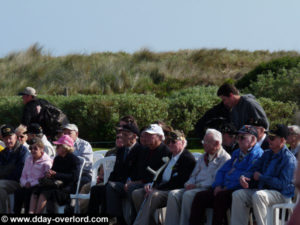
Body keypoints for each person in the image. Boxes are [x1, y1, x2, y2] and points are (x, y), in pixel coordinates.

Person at [189, 125, 264, 225]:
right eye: (238, 137)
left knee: (221, 197)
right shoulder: (237, 153)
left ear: (253, 140)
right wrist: (218, 185)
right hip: (226, 188)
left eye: (242, 138)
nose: (239, 140)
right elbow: (222, 171)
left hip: (241, 189)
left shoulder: (258, 156)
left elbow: (246, 176)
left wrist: (226, 187)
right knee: (200, 196)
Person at [231, 124, 297, 225]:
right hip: (264, 191)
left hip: (282, 194)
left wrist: (262, 178)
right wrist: (244, 177)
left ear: (282, 140)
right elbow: (252, 170)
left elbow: (283, 184)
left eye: (272, 138)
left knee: (259, 196)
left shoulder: (289, 159)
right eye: (269, 137)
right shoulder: (267, 154)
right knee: (238, 195)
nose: (269, 140)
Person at [165, 129, 231, 225]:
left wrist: (196, 186)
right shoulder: (203, 157)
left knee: (188, 195)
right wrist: (189, 183)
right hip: (194, 187)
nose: (203, 144)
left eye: (206, 142)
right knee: (173, 194)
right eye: (203, 141)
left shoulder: (225, 158)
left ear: (217, 144)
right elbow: (193, 175)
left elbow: (215, 180)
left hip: (206, 189)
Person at [133, 130, 196, 225]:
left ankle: (139, 223)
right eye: (168, 142)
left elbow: (178, 181)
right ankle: (150, 223)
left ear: (182, 142)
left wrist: (156, 188)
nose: (170, 144)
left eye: (173, 142)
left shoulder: (187, 158)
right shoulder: (169, 156)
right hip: (161, 187)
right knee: (137, 193)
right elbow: (159, 174)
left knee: (153, 196)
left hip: (172, 190)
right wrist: (151, 185)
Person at [29, 135, 80, 213]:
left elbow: (74, 177)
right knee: (36, 190)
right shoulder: (57, 158)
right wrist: (49, 174)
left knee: (45, 192)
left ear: (65, 147)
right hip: (55, 186)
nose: (56, 147)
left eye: (58, 146)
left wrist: (56, 174)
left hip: (66, 190)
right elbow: (53, 172)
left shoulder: (74, 160)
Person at [105, 124, 143, 224]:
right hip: (120, 182)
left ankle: (118, 220)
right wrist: (108, 181)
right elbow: (116, 170)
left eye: (125, 135)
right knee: (98, 189)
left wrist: (130, 181)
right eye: (121, 135)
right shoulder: (121, 150)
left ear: (135, 136)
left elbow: (139, 171)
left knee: (111, 187)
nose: (122, 138)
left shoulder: (140, 150)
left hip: (132, 183)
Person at [131, 124, 171, 214]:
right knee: (133, 190)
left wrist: (152, 185)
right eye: (146, 135)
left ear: (160, 137)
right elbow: (141, 170)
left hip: (158, 186)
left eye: (150, 135)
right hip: (144, 183)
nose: (147, 137)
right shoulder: (145, 150)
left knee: (134, 191)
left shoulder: (166, 152)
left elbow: (164, 174)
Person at [14, 138, 52, 213]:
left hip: (38, 185)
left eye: (35, 148)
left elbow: (45, 179)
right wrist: (25, 183)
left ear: (42, 149)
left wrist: (31, 184)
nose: (33, 150)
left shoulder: (47, 162)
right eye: (31, 148)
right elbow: (23, 175)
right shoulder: (28, 159)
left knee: (29, 192)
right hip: (27, 184)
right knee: (18, 191)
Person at [0, 125, 29, 213]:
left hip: (18, 182)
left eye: (10, 138)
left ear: (15, 137)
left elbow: (20, 172)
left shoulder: (22, 151)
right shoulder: (3, 153)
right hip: (5, 181)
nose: (8, 141)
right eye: (5, 138)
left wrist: (5, 173)